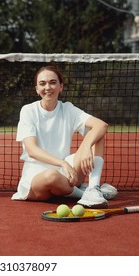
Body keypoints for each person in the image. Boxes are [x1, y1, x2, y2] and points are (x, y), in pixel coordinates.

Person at [11, 66, 117, 208]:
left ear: (61, 86)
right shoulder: (28, 110)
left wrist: (86, 147)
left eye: (53, 82)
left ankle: (93, 189)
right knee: (52, 176)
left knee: (97, 135)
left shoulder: (68, 109)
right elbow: (32, 150)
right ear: (37, 89)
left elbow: (101, 125)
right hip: (37, 181)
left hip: (67, 175)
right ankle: (83, 194)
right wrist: (63, 163)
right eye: (42, 83)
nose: (48, 87)